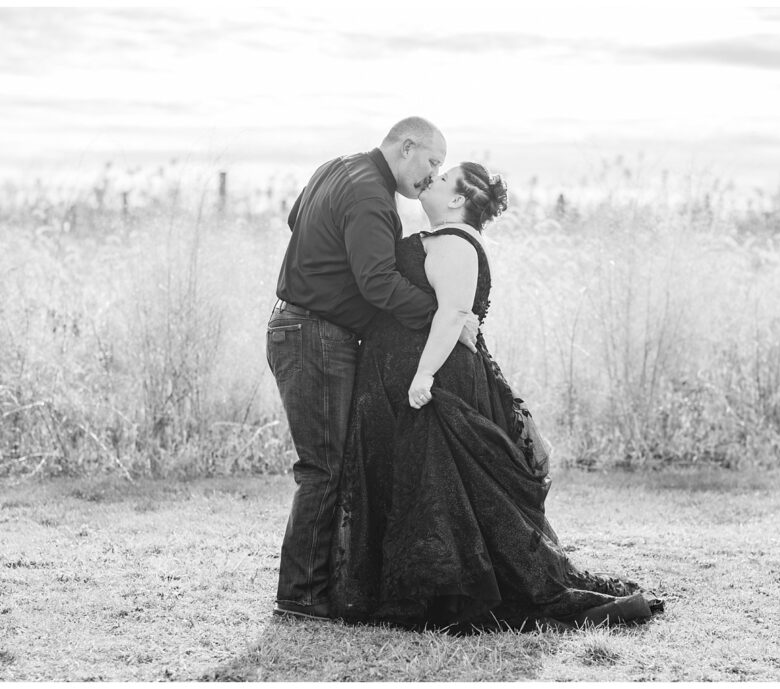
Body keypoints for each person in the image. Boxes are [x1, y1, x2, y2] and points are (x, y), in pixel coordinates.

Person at [329, 162, 664, 631]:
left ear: (458, 200)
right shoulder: (441, 237)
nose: (432, 180)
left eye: (442, 179)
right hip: (416, 381)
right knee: (427, 486)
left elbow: (453, 314)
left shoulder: (453, 242)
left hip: (436, 385)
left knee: (445, 488)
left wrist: (423, 376)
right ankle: (424, 591)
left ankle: (447, 597)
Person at [266, 118, 480, 621]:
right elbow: (378, 283)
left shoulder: (336, 169)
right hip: (315, 335)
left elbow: (298, 220)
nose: (433, 175)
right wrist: (443, 316)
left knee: (328, 465)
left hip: (300, 329)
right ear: (406, 147)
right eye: (431, 162)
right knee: (323, 468)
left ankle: (317, 589)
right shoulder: (370, 194)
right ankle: (301, 596)